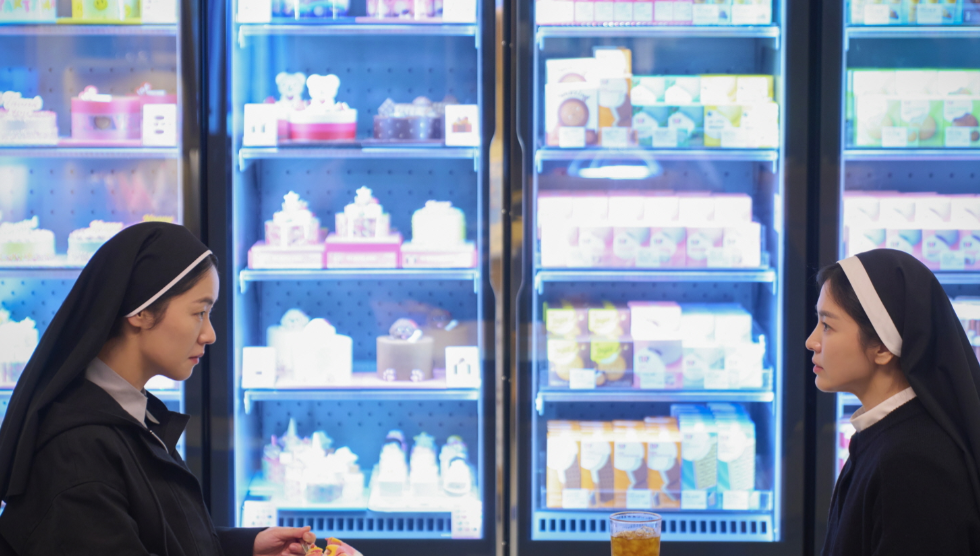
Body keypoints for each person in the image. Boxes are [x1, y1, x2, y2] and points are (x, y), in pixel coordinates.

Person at [0, 223, 320, 555]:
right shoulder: (76, 454)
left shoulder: (131, 413)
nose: (209, 334)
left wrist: (245, 546)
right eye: (199, 312)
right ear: (140, 311)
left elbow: (155, 536)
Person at [807, 249, 980, 555]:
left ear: (883, 348)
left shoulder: (915, 466)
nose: (812, 341)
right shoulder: (884, 436)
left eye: (827, 326)